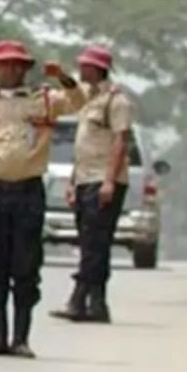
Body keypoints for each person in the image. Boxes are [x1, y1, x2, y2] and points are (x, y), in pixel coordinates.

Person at [0, 40, 86, 358]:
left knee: (25, 266)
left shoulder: (45, 100)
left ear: (25, 69)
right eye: (3, 65)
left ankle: (21, 338)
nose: (9, 70)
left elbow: (79, 102)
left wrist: (63, 77)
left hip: (27, 192)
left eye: (16, 65)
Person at [49, 45, 133, 324]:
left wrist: (109, 181)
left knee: (96, 241)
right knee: (90, 242)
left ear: (98, 69)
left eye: (85, 66)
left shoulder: (116, 101)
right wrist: (73, 182)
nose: (81, 70)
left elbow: (121, 142)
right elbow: (82, 146)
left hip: (104, 179)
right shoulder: (89, 100)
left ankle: (78, 299)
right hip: (86, 177)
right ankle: (96, 304)